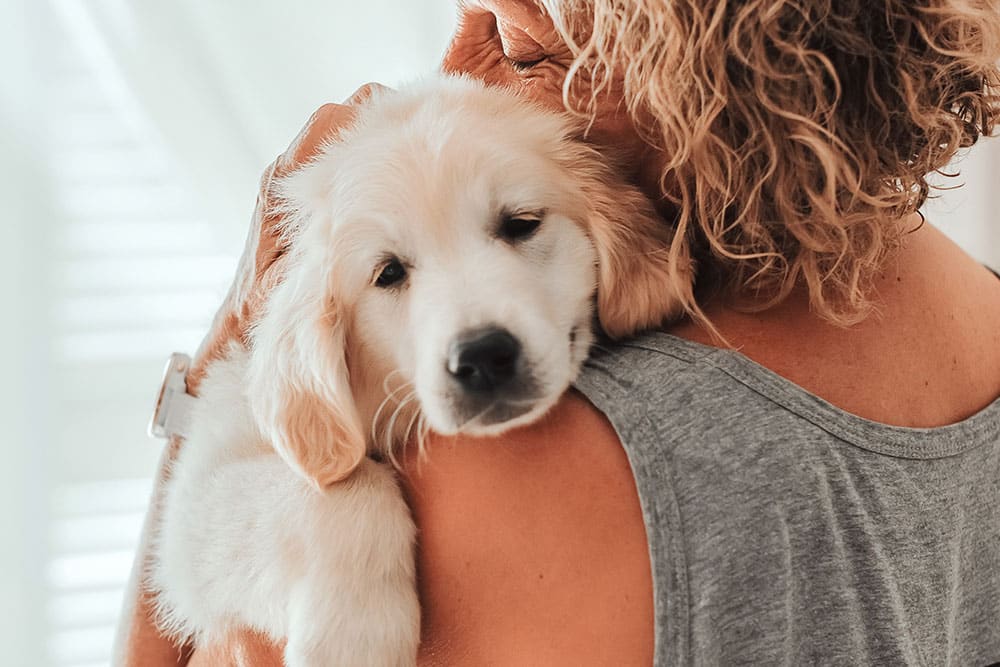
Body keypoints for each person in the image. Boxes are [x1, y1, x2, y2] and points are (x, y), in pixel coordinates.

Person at [115, 0, 1000, 664]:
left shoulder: (534, 465)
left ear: (689, 65)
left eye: (520, 46)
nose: (461, 62)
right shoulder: (982, 307)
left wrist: (234, 331)